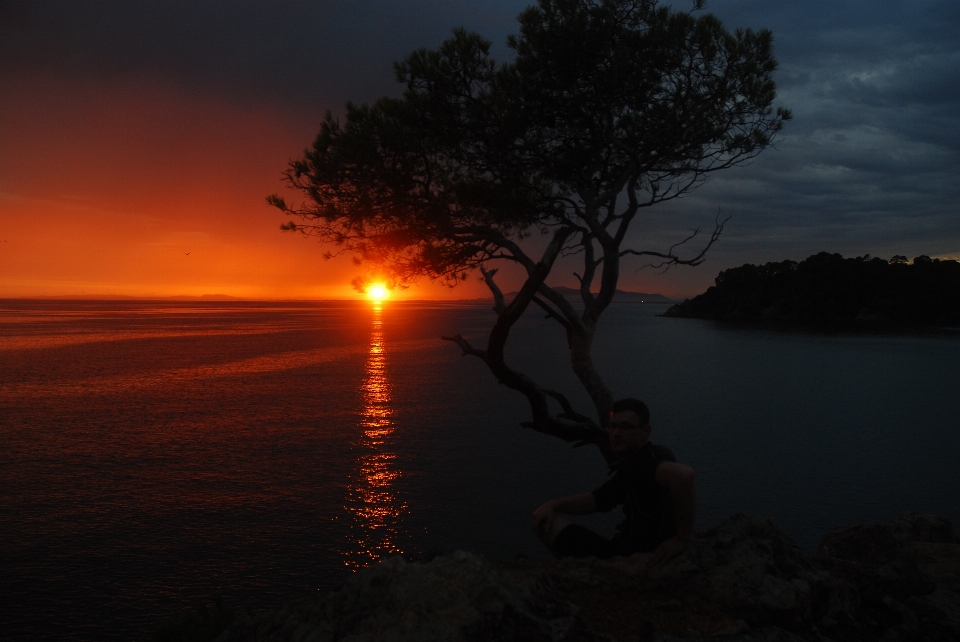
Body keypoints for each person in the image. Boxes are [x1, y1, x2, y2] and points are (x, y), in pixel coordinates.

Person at [531, 398, 695, 568]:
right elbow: (598, 499)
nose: (616, 433)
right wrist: (553, 505)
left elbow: (683, 475)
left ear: (645, 431)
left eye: (625, 426)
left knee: (547, 525)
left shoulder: (646, 464)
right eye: (612, 426)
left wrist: (682, 539)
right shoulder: (639, 462)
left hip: (629, 558)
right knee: (547, 518)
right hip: (626, 550)